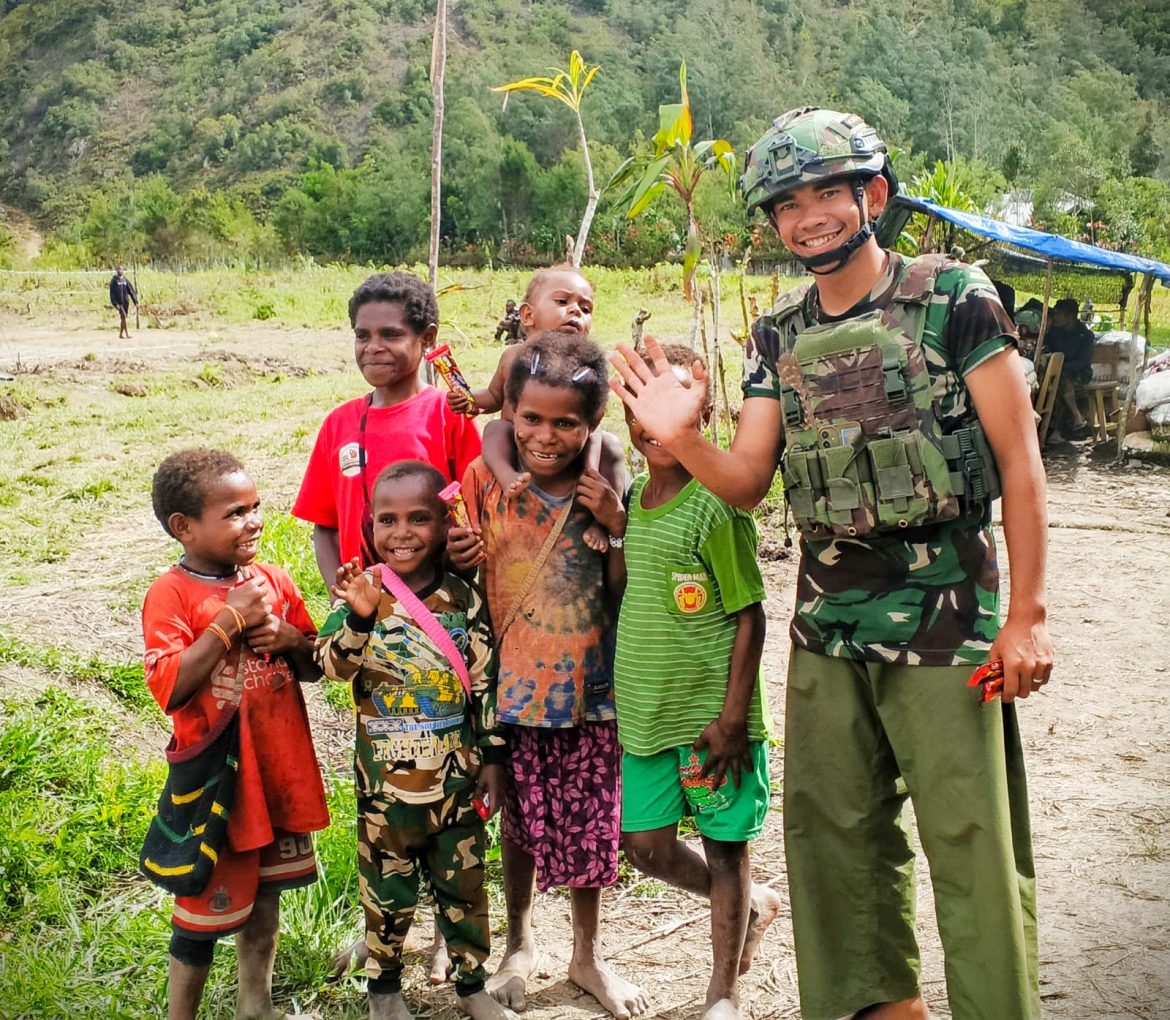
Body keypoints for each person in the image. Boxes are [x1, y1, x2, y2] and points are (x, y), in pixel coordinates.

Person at [610, 107, 1051, 1020]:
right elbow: (743, 481)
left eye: (826, 194)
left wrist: (1027, 617)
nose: (807, 216)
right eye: (786, 204)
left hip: (949, 621)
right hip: (826, 627)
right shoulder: (777, 335)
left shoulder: (954, 297)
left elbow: (1020, 463)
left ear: (873, 196)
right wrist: (682, 437)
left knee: (971, 839)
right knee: (834, 842)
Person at [448, 331, 646, 1020]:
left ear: (592, 426)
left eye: (566, 422)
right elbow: (465, 578)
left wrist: (614, 525)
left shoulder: (607, 479)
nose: (546, 434)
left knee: (592, 828)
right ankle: (520, 942)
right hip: (512, 686)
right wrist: (460, 552)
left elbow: (623, 585)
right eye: (531, 418)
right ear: (510, 415)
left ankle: (586, 953)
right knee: (520, 828)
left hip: (593, 689)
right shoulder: (483, 480)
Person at [614, 343, 781, 1020]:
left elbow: (751, 616)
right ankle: (751, 906)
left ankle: (723, 992)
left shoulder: (717, 504)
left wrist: (733, 718)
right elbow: (632, 589)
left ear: (703, 414)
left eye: (676, 401)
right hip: (647, 716)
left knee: (725, 845)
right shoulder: (636, 496)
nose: (656, 420)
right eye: (642, 405)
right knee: (645, 847)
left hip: (712, 720)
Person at [315, 461, 515, 1020]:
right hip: (385, 798)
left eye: (418, 518)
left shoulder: (463, 600)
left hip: (456, 788)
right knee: (386, 896)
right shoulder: (363, 592)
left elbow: (485, 686)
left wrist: (494, 760)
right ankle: (384, 995)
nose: (402, 533)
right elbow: (330, 665)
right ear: (370, 524)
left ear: (442, 523)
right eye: (387, 520)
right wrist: (356, 618)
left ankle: (472, 988)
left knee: (467, 892)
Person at [143, 448, 329, 1020]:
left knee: (265, 897)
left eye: (255, 507)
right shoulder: (171, 594)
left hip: (275, 770)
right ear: (184, 527)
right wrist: (229, 622)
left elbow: (314, 663)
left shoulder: (272, 579)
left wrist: (290, 640)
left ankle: (257, 1003)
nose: (253, 521)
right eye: (234, 513)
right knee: (199, 913)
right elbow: (170, 686)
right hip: (218, 785)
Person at [293, 271, 483, 583]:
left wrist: (462, 560)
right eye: (362, 335)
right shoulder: (338, 423)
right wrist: (337, 595)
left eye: (391, 335)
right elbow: (326, 525)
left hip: (440, 600)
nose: (373, 347)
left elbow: (476, 511)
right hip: (364, 606)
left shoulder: (448, 413)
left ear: (427, 338)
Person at [445, 264, 626, 553]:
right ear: (528, 315)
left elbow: (593, 417)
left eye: (585, 307)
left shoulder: (587, 368)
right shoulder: (514, 356)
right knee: (495, 427)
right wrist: (470, 401)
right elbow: (493, 395)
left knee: (609, 443)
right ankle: (507, 476)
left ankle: (594, 495)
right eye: (562, 302)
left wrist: (591, 467)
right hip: (514, 441)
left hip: (573, 446)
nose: (576, 311)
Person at [1043, 297, 1094, 441]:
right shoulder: (1053, 332)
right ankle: (1075, 419)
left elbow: (1082, 362)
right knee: (1053, 382)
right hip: (1057, 374)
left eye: (1058, 314)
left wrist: (1059, 367)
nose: (1055, 317)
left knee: (1058, 386)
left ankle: (1053, 430)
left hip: (1079, 374)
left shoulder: (1085, 335)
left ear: (1070, 316)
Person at [109, 264, 139, 339]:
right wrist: (115, 304)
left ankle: (120, 334)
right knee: (124, 316)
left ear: (123, 270)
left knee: (123, 318)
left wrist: (136, 302)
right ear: (116, 270)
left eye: (121, 269)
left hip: (126, 302)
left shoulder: (125, 280)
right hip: (119, 303)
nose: (120, 270)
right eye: (118, 269)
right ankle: (126, 334)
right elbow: (112, 294)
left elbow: (131, 291)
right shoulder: (114, 281)